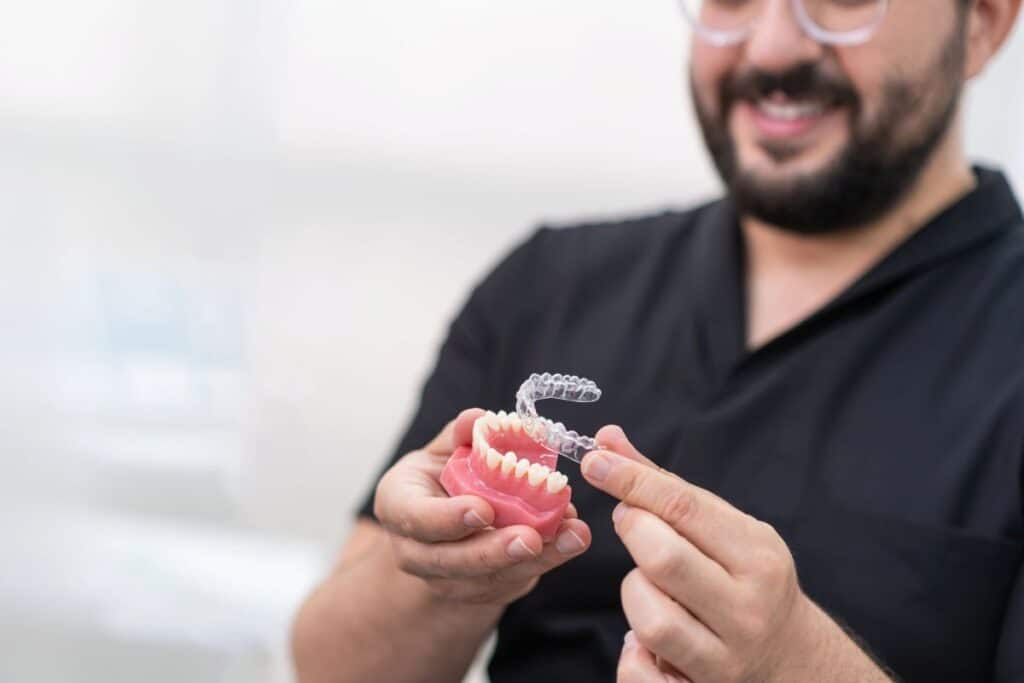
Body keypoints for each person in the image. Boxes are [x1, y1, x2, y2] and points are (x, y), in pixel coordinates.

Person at [292, 0, 1024, 680]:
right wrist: (445, 567)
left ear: (984, 22)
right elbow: (328, 667)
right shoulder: (546, 284)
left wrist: (804, 666)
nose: (770, 48)